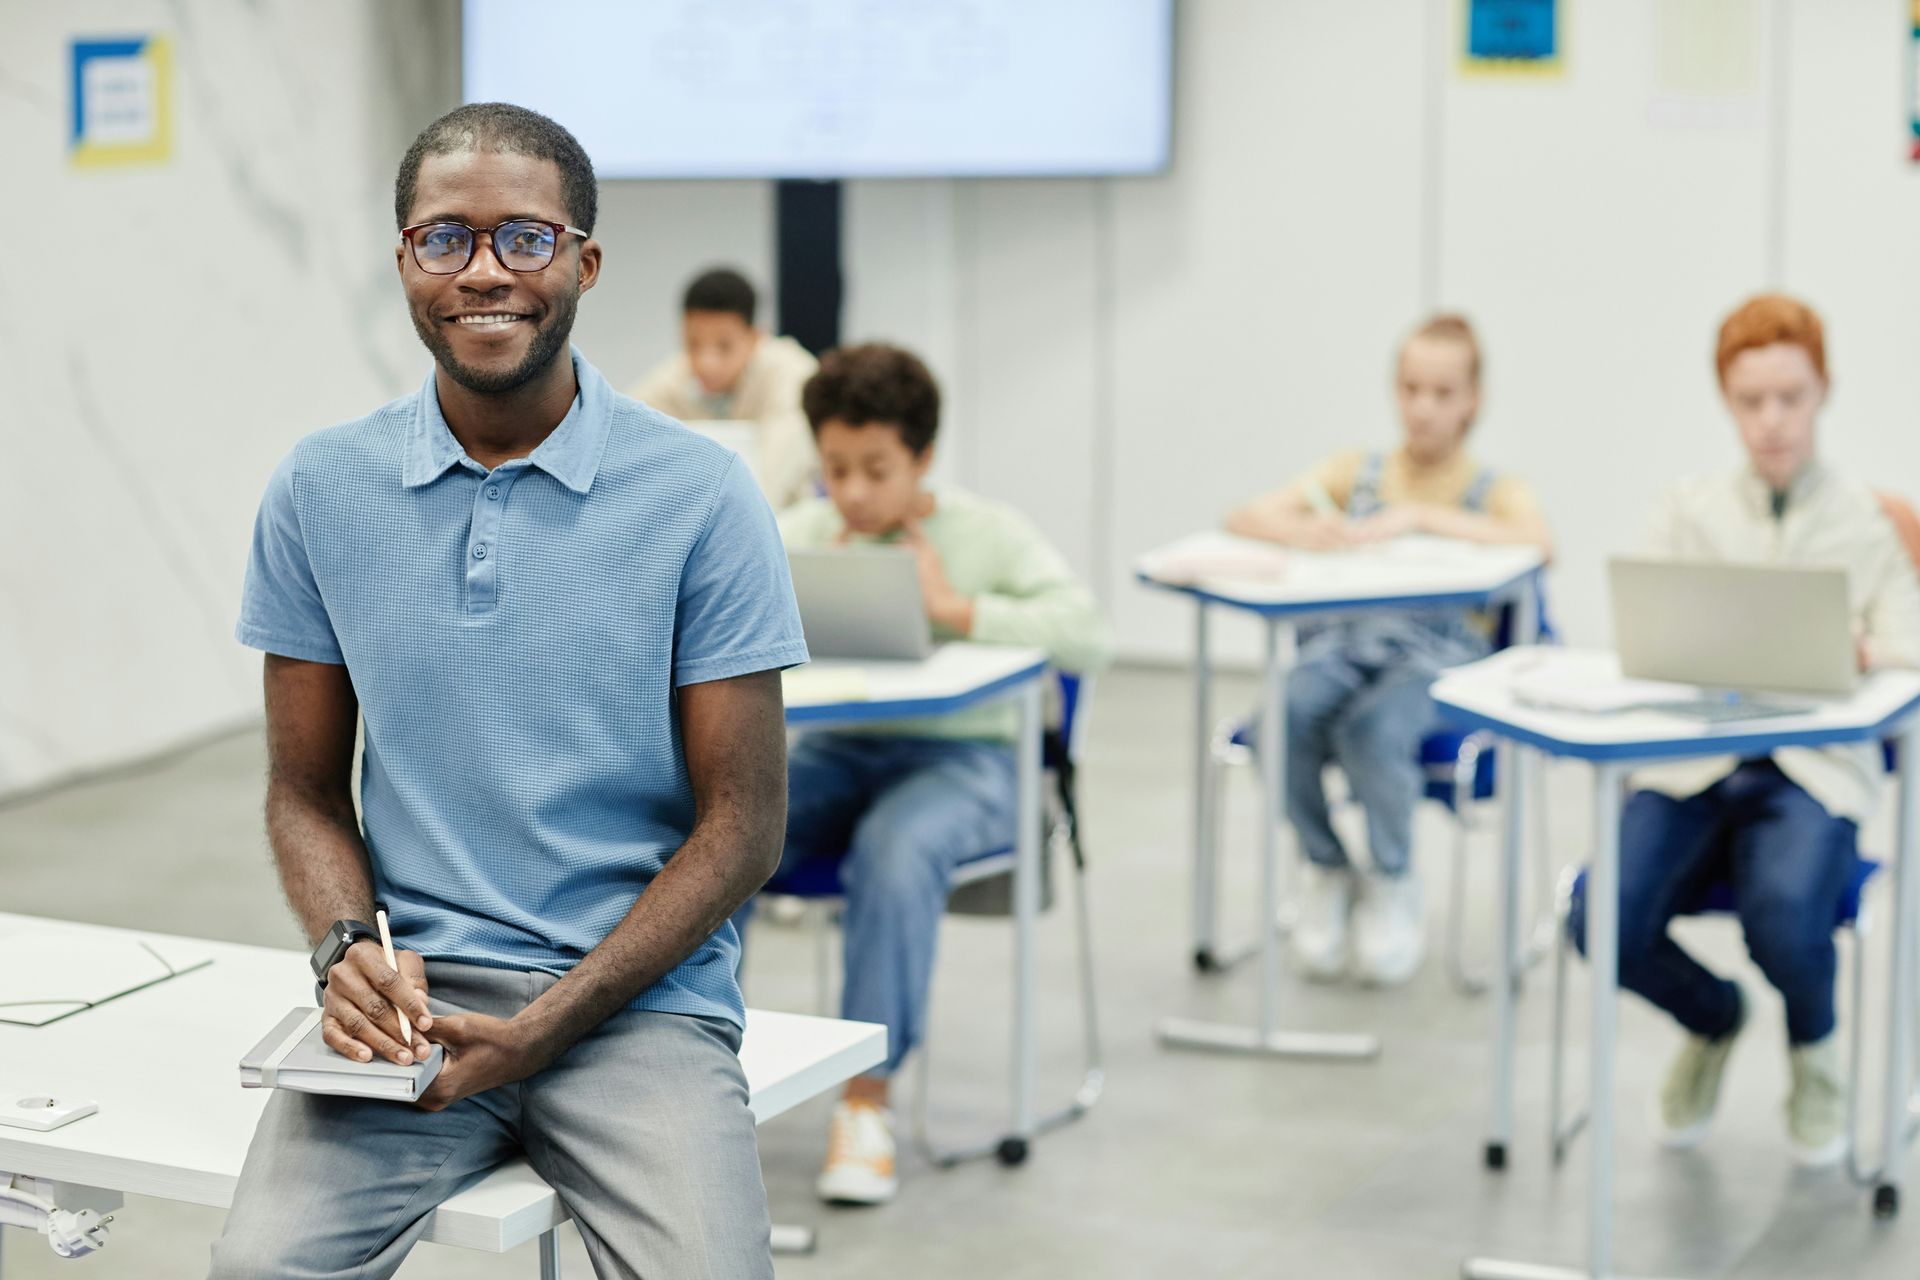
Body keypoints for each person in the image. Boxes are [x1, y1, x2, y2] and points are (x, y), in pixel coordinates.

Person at [211, 103, 809, 1279]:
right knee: (257, 1268)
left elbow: (744, 827)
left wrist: (551, 1022)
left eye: (524, 238)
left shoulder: (702, 494)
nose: (484, 271)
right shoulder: (321, 487)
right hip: (417, 1010)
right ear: (404, 263)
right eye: (446, 238)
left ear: (583, 261)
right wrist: (344, 950)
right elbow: (304, 790)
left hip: (642, 1005)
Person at [1568, 293, 1920, 1167]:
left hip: (1810, 770)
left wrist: (1863, 644)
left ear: (1822, 392)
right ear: (1726, 400)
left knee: (1786, 916)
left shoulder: (1869, 523)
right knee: (1599, 919)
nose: (1772, 421)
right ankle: (1714, 1018)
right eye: (1751, 400)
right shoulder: (1686, 511)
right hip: (1689, 762)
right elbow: (1645, 631)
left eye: (1790, 397)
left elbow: (1911, 639)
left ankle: (1815, 1052)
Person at [760, 342, 1112, 1205]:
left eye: (876, 469)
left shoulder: (987, 533)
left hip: (972, 759)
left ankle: (866, 1103)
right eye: (835, 469)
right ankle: (685, 1066)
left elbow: (1087, 635)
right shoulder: (800, 533)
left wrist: (956, 609)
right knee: (723, 824)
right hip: (838, 752)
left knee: (896, 846)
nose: (852, 492)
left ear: (922, 458)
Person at [1225, 315, 1552, 986]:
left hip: (1438, 660)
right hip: (1344, 641)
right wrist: (1307, 529)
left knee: (1373, 730)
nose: (1423, 407)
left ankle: (1394, 878)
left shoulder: (1495, 490)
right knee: (1281, 718)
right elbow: (1247, 516)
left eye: (1442, 392)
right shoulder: (1356, 471)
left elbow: (1540, 544)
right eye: (1410, 389)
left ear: (1472, 400)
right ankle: (1327, 866)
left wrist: (1423, 518)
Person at [629, 267, 820, 509]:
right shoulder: (673, 378)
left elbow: (776, 475)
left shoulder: (791, 374)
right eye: (693, 344)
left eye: (724, 346)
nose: (706, 362)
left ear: (756, 338)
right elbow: (623, 425)